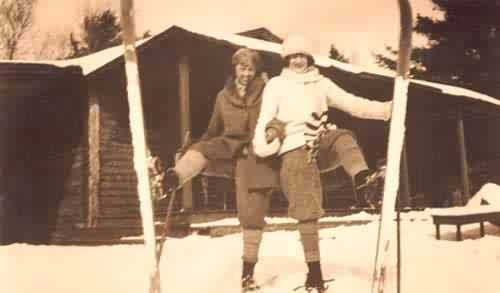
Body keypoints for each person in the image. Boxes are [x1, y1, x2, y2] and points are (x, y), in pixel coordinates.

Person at [253, 34, 392, 292]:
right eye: (293, 56)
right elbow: (264, 119)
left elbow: (353, 104)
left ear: (309, 57)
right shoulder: (276, 85)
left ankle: (363, 181)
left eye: (302, 55)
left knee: (342, 136)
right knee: (307, 205)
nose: (298, 60)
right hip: (293, 148)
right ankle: (314, 273)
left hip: (320, 142)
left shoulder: (321, 83)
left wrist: (386, 110)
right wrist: (264, 144)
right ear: (286, 59)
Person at [155, 48, 281, 292]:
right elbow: (213, 130)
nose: (246, 73)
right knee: (203, 147)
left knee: (251, 215)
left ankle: (247, 274)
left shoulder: (267, 91)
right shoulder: (223, 96)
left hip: (256, 153)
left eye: (251, 69)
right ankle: (174, 177)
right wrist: (193, 147)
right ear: (234, 69)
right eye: (242, 68)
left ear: (257, 71)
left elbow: (278, 117)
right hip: (229, 147)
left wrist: (271, 134)